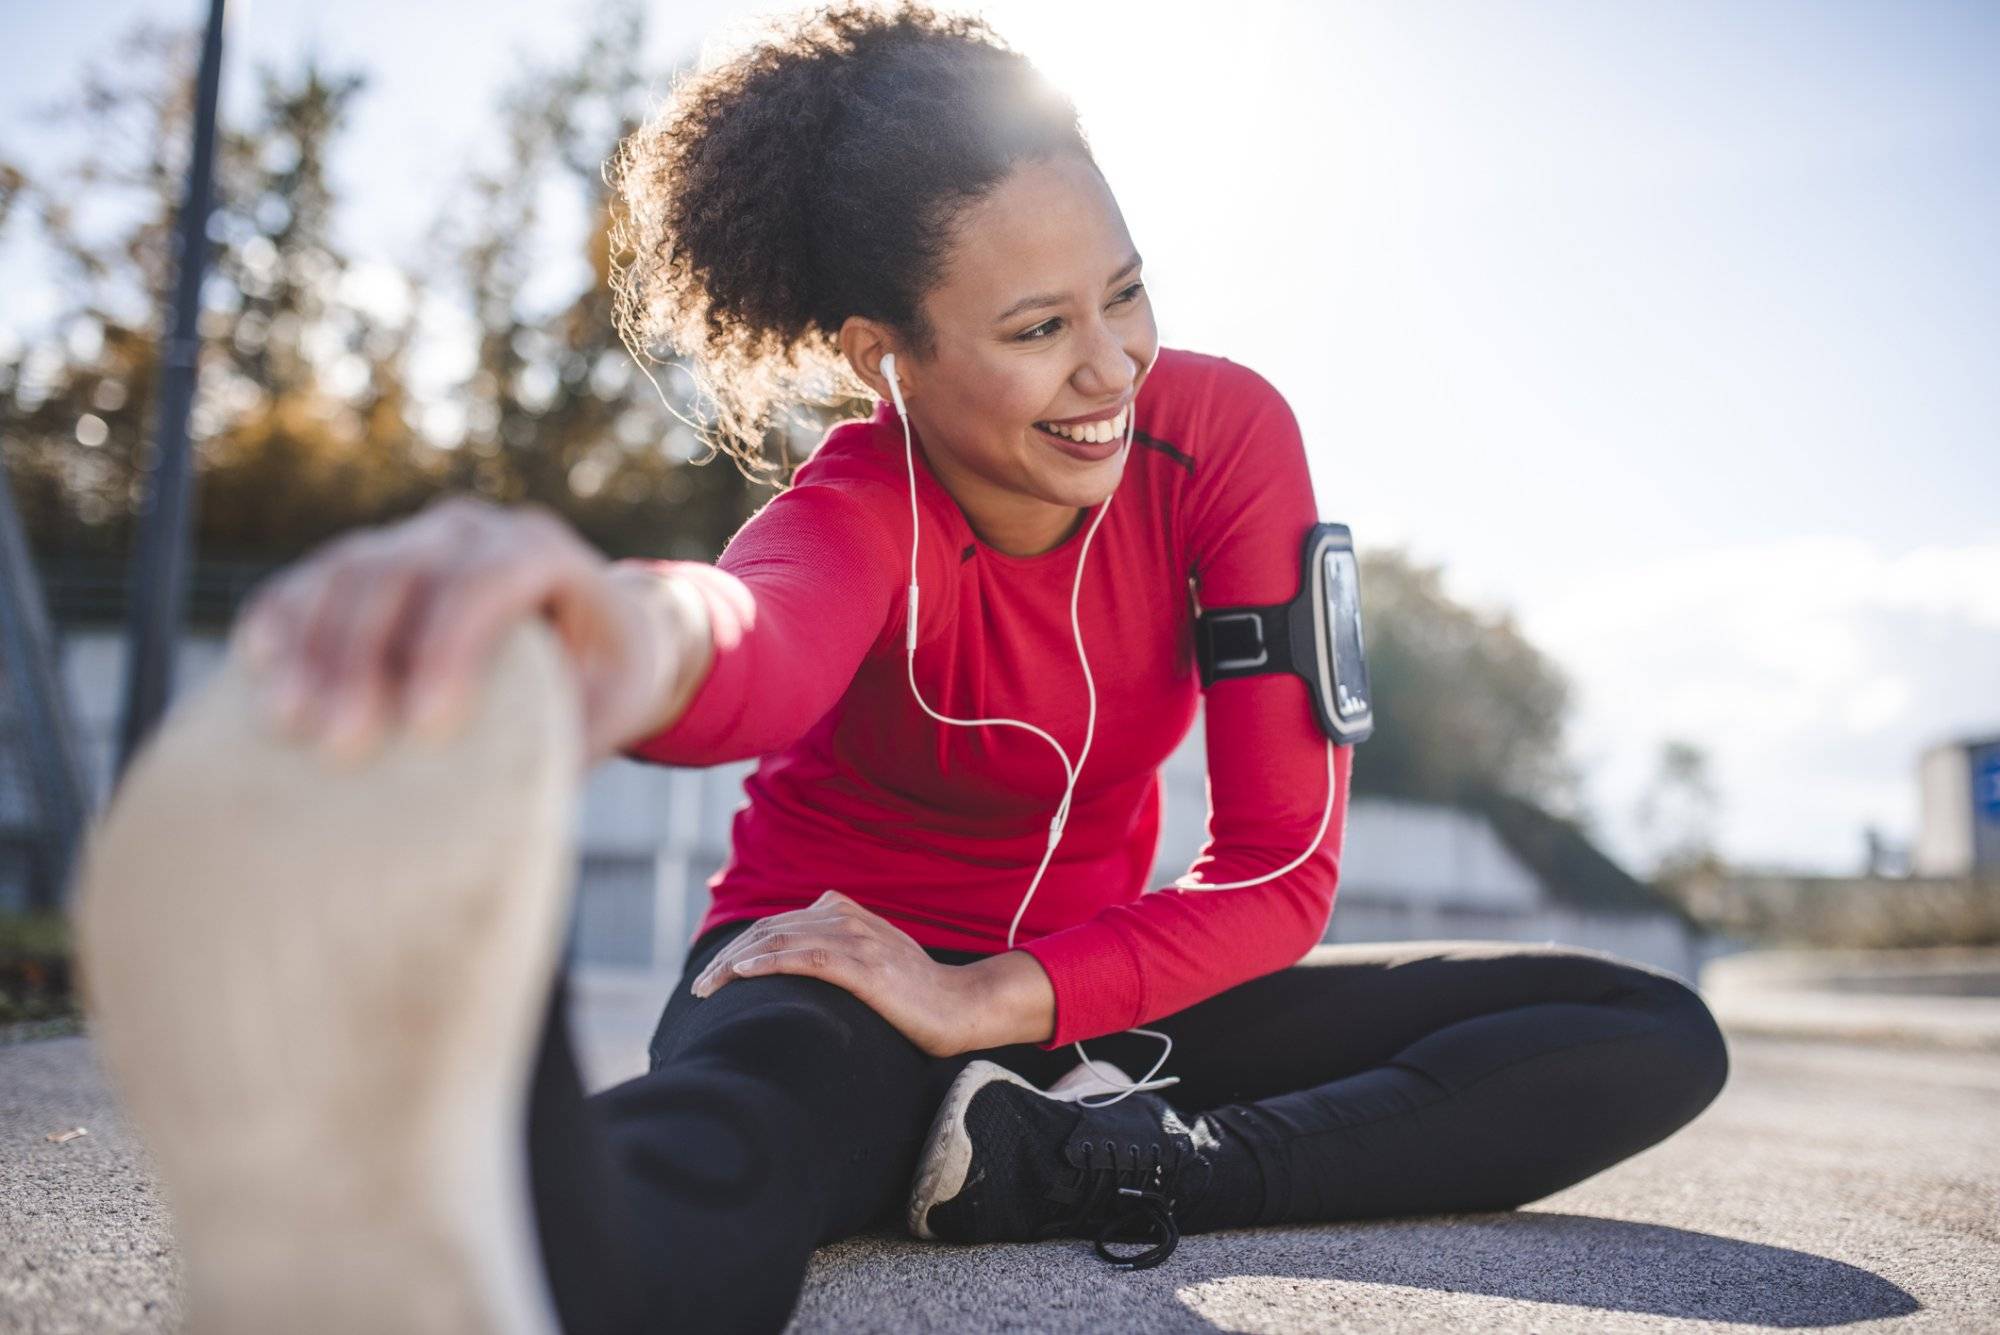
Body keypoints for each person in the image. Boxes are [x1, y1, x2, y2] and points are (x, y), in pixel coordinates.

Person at [71, 6, 1730, 1334]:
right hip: (834, 971)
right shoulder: (860, 501)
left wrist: (1001, 1013)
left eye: (1128, 295)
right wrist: (596, 628)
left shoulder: (1223, 438)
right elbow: (750, 643)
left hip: (1082, 1007)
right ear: (889, 357)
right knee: (742, 1148)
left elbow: (1283, 870)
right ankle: (452, 1232)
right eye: (1034, 332)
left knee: (1634, 1032)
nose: (1110, 369)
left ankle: (1063, 1168)